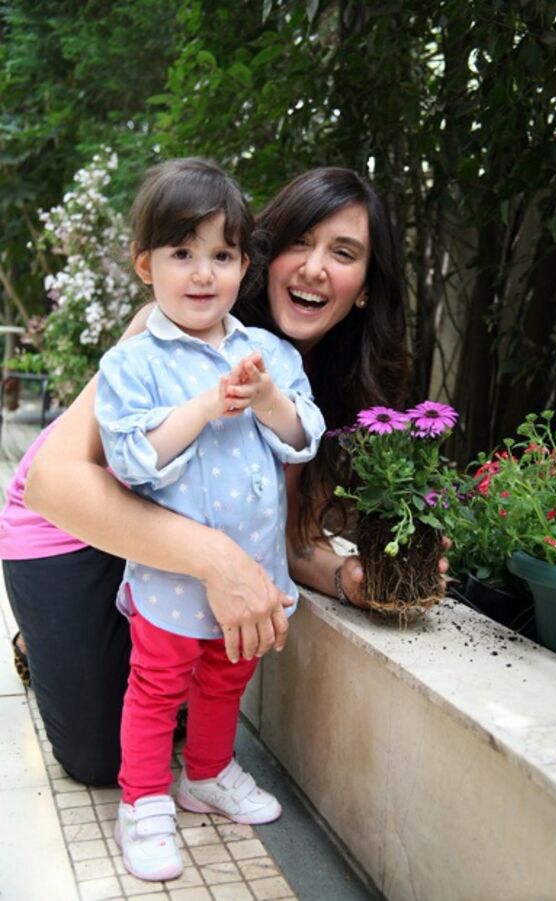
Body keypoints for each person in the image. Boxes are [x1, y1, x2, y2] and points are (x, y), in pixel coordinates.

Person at [15, 164, 433, 788]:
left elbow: (289, 540)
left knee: (184, 699)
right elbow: (51, 484)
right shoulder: (171, 326)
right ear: (264, 254)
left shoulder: (314, 383)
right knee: (101, 758)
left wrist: (351, 579)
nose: (315, 268)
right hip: (71, 531)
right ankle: (43, 639)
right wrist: (217, 560)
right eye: (300, 242)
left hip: (162, 549)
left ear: (367, 287)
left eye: (343, 253)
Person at [91, 158, 324, 881]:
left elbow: (303, 436)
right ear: (146, 265)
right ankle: (144, 800)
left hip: (252, 573)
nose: (202, 274)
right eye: (182, 253)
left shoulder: (269, 354)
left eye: (221, 256)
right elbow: (131, 459)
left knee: (227, 679)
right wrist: (201, 408)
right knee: (157, 687)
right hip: (171, 581)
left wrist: (266, 400)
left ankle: (208, 772)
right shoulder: (133, 364)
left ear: (244, 266)